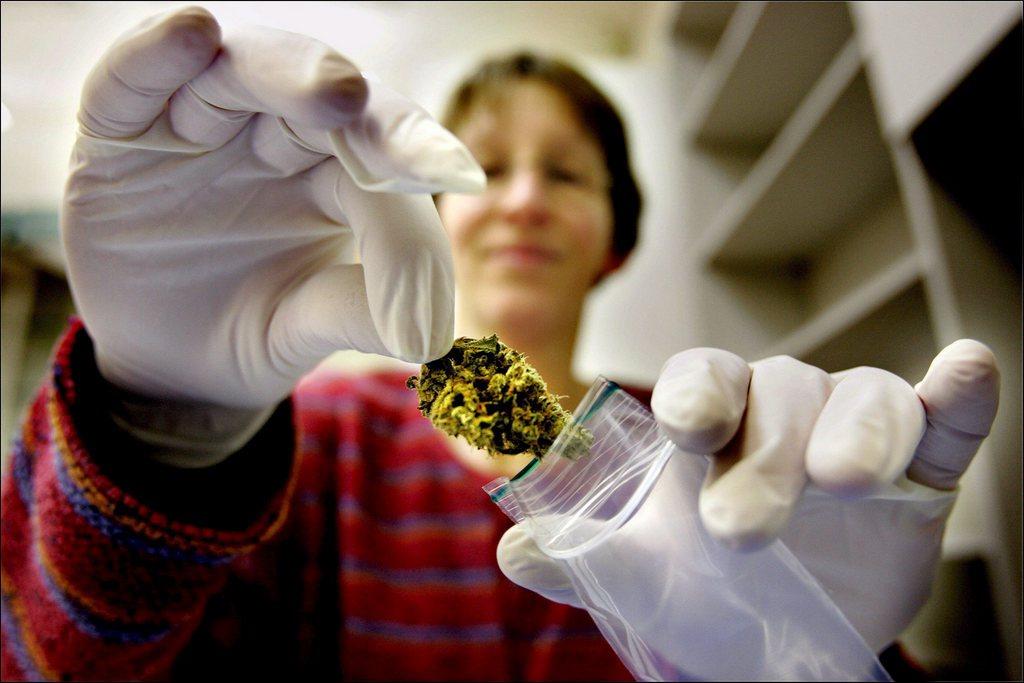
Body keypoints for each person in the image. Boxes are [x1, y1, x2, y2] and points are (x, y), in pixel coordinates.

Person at [0, 7, 1001, 682]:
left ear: (617, 236)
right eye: (488, 169)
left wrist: (819, 641)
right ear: (435, 211)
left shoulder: (710, 442)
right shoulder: (317, 440)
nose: (521, 198)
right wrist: (160, 431)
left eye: (564, 173)